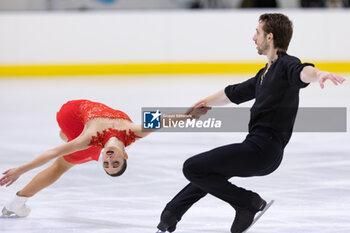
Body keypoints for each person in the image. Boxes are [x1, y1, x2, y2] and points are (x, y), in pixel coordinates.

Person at [156, 13, 345, 233]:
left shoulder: (286, 65)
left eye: (257, 32)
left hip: (263, 150)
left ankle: (247, 202)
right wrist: (203, 103)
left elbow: (302, 72)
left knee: (193, 167)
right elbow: (233, 93)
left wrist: (319, 74)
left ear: (270, 37)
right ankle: (171, 214)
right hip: (257, 148)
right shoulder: (264, 74)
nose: (253, 38)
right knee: (210, 171)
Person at [0, 99, 166, 217]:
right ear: (125, 155)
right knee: (62, 163)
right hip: (72, 112)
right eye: (115, 162)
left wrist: (19, 170)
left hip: (76, 118)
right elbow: (165, 120)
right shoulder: (135, 132)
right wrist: (189, 114)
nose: (109, 159)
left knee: (66, 158)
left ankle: (17, 200)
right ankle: (17, 202)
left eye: (106, 164)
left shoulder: (89, 139)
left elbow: (52, 152)